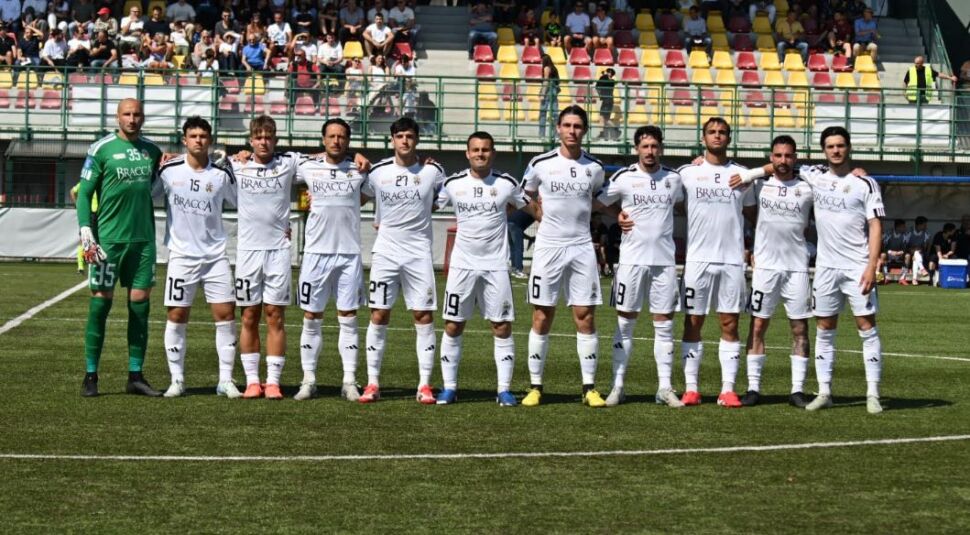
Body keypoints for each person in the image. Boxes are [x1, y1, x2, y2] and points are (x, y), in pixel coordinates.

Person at [734, 126, 886, 414]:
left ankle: (873, 393)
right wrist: (754, 172)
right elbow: (775, 167)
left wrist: (871, 265)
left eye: (840, 145)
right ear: (823, 150)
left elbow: (876, 224)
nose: (836, 151)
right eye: (830, 146)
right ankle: (824, 392)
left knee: (866, 327)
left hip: (854, 268)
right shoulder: (814, 175)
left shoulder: (864, 183)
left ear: (848, 148)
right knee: (823, 329)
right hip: (824, 268)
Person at [435, 132, 537, 406]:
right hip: (462, 266)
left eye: (486, 150)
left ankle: (504, 390)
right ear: (467, 153)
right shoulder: (452, 184)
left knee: (501, 326)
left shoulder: (506, 184)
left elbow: (532, 208)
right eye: (476, 150)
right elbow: (427, 204)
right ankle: (449, 387)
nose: (480, 154)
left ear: (493, 153)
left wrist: (555, 225)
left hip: (495, 267)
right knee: (453, 325)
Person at [522, 105, 610, 408]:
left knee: (585, 316)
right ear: (558, 128)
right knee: (542, 315)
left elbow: (602, 198)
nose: (572, 131)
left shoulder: (595, 167)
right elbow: (524, 193)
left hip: (582, 247)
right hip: (548, 248)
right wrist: (537, 212)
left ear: (584, 131)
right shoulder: (540, 163)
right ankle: (535, 386)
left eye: (578, 126)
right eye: (567, 125)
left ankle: (589, 388)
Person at [75, 99, 163, 397]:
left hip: (142, 242)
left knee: (140, 306)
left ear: (143, 117)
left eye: (137, 114)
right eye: (127, 114)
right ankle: (90, 375)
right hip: (108, 242)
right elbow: (85, 192)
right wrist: (86, 230)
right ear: (117, 117)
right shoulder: (101, 149)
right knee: (100, 303)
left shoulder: (152, 151)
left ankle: (135, 375)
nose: (132, 119)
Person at [596, 126, 685, 408]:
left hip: (664, 263)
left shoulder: (674, 179)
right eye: (645, 146)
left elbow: (683, 204)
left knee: (665, 325)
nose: (650, 151)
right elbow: (598, 203)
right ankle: (617, 386)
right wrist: (618, 213)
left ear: (661, 148)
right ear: (637, 149)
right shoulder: (623, 178)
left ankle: (665, 388)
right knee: (625, 323)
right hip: (631, 262)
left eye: (654, 146)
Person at [361, 116, 447, 404]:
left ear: (417, 139)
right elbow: (359, 198)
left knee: (423, 316)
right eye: (400, 136)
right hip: (385, 251)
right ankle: (372, 383)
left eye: (410, 136)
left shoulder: (433, 172)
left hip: (418, 253)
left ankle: (424, 385)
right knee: (378, 314)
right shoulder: (377, 172)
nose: (405, 141)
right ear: (392, 139)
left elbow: (440, 200)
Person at [152, 117, 239, 398]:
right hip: (181, 256)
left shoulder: (222, 175)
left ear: (210, 140)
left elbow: (244, 203)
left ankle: (225, 380)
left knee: (225, 316)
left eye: (203, 135)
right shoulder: (168, 170)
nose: (198, 140)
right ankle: (177, 380)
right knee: (177, 315)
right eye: (193, 135)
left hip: (215, 257)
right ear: (184, 140)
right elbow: (146, 194)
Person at [729, 136, 816, 408]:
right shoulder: (758, 184)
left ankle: (797, 390)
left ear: (796, 157)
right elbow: (729, 176)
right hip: (765, 267)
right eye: (777, 155)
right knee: (757, 325)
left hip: (797, 269)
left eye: (788, 156)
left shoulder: (808, 187)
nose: (783, 161)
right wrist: (763, 170)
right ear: (771, 157)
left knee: (800, 327)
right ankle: (754, 388)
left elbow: (830, 174)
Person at [677, 117, 756, 408]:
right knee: (693, 321)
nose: (717, 136)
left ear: (729, 138)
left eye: (722, 132)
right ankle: (691, 388)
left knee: (730, 323)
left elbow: (753, 215)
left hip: (732, 260)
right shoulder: (686, 173)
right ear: (703, 137)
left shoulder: (743, 175)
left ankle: (727, 389)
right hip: (697, 260)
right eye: (712, 132)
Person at [293, 119, 372, 401]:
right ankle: (308, 380)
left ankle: (349, 380)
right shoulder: (306, 165)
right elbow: (274, 162)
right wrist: (243, 155)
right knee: (311, 317)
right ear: (323, 140)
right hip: (315, 255)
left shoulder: (360, 169)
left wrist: (358, 158)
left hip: (349, 254)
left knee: (348, 318)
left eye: (342, 137)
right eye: (331, 136)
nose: (336, 140)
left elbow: (374, 191)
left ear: (348, 141)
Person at [229, 115, 301, 400]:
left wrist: (356, 155)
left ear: (276, 140)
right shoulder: (237, 165)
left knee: (275, 316)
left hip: (278, 252)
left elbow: (326, 157)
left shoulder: (288, 163)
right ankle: (251, 381)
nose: (263, 141)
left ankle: (272, 381)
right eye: (258, 136)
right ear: (250, 140)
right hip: (247, 252)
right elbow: (201, 163)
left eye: (268, 136)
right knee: (248, 315)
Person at [537, 53, 560, 140]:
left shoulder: (546, 68)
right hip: (554, 90)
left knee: (543, 113)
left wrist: (542, 94)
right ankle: (556, 135)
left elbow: (546, 81)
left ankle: (542, 135)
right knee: (554, 113)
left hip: (548, 91)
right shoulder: (554, 68)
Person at [904, 215, 931, 285]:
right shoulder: (909, 232)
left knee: (916, 256)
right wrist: (911, 250)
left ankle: (914, 278)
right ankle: (921, 270)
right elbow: (904, 245)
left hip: (919, 253)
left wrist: (919, 250)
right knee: (916, 253)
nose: (926, 227)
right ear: (919, 225)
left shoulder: (926, 234)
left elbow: (925, 247)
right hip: (909, 251)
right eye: (924, 225)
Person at [595, 67, 617, 140]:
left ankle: (615, 130)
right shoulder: (607, 80)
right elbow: (598, 85)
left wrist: (604, 75)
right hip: (607, 100)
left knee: (603, 118)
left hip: (607, 100)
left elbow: (601, 83)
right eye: (607, 71)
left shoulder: (610, 80)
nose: (607, 72)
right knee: (605, 118)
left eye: (608, 72)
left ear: (611, 73)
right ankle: (605, 134)